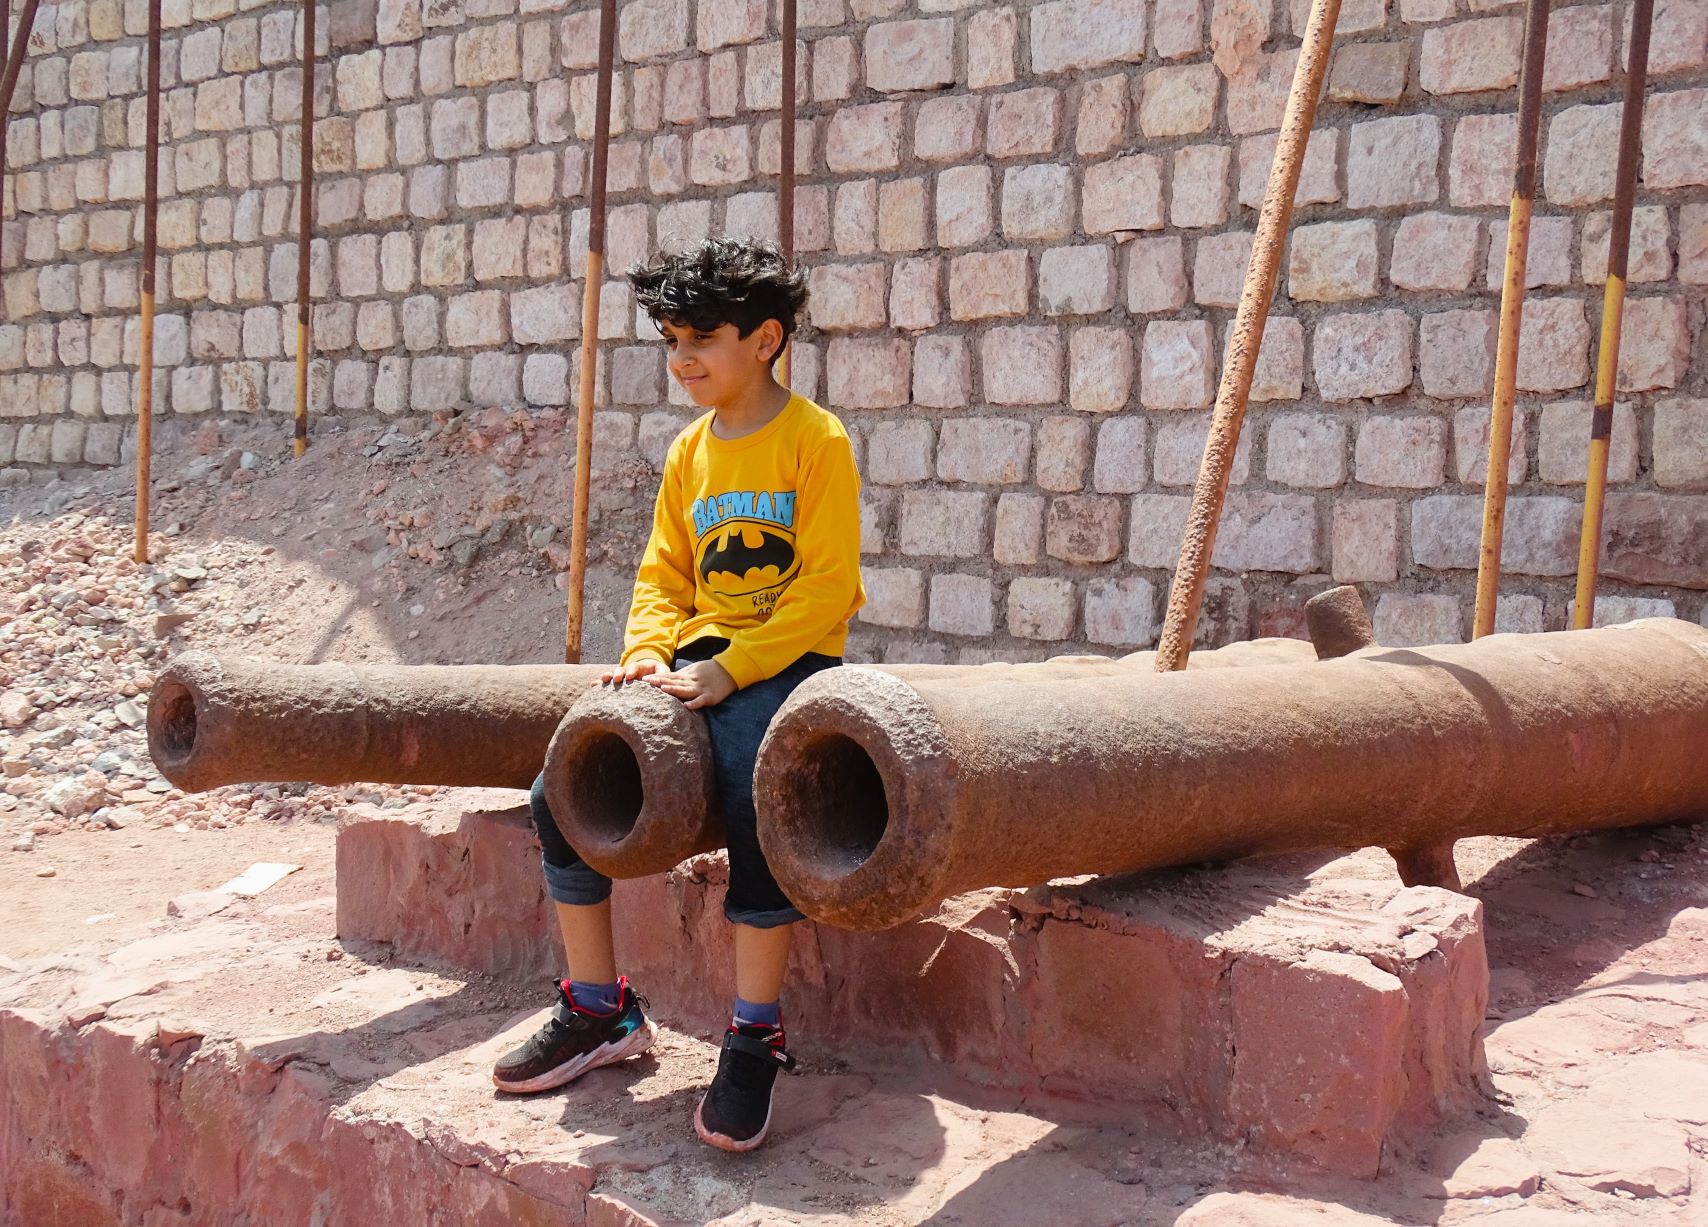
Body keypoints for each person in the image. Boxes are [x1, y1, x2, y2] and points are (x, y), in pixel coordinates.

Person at [491, 237, 866, 1153]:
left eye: (703, 337)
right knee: (560, 792)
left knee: (755, 792)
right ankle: (600, 1008)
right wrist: (647, 650)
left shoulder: (814, 441)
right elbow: (664, 574)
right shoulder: (689, 452)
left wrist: (734, 667)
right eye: (670, 340)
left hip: (786, 668)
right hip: (691, 664)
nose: (683, 359)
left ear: (767, 337)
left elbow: (827, 587)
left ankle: (754, 1031)